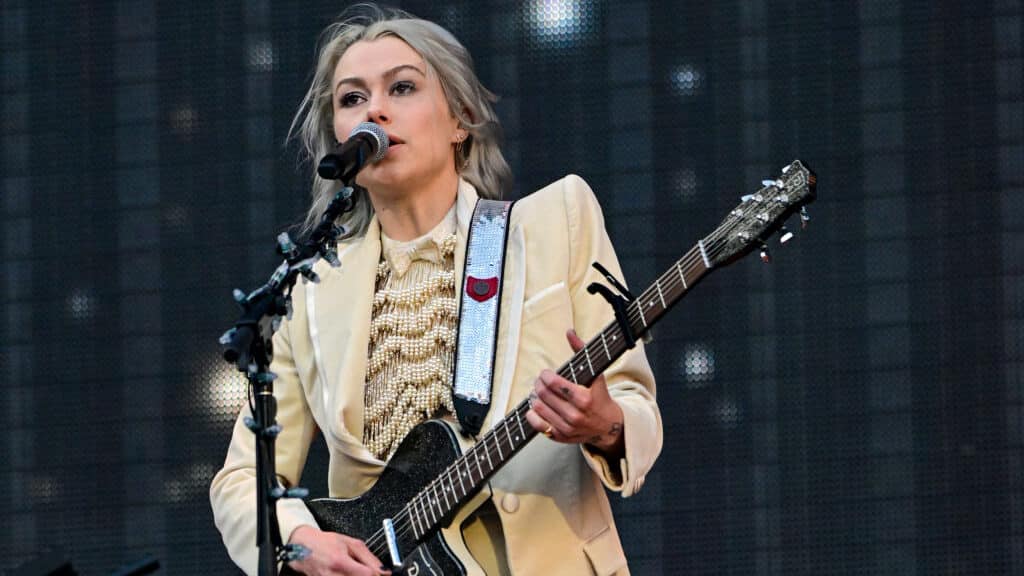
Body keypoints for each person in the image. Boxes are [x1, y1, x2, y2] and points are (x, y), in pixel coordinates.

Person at [210, 6, 662, 575]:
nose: (374, 109)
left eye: (401, 87)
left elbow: (636, 404)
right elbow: (241, 478)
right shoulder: (309, 291)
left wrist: (606, 425)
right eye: (351, 99)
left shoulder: (555, 221)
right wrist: (299, 540)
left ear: (460, 121)